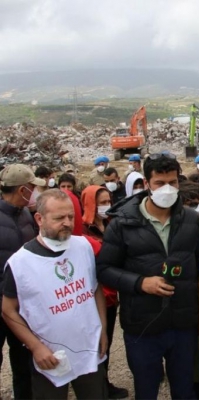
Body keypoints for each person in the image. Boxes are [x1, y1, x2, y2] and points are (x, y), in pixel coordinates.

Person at [96, 153, 199, 399]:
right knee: (146, 389)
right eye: (160, 183)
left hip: (183, 324)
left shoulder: (192, 220)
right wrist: (140, 283)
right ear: (147, 184)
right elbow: (104, 269)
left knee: (184, 389)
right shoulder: (122, 223)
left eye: (173, 182)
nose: (167, 189)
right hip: (142, 326)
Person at [2, 189, 108, 399]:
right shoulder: (19, 263)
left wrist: (103, 329)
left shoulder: (83, 246)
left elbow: (94, 289)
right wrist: (35, 347)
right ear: (39, 219)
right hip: (50, 357)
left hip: (88, 349)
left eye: (70, 216)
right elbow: (7, 310)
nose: (67, 223)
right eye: (59, 218)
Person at [0, 164, 46, 400]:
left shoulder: (27, 215)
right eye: (32, 187)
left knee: (23, 361)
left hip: (23, 305)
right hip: (3, 301)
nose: (35, 192)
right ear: (22, 190)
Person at [79, 185, 128, 399]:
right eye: (101, 202)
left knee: (105, 341)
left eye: (109, 201)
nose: (106, 206)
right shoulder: (81, 229)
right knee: (92, 343)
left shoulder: (112, 224)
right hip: (92, 296)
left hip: (110, 295)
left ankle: (104, 382)